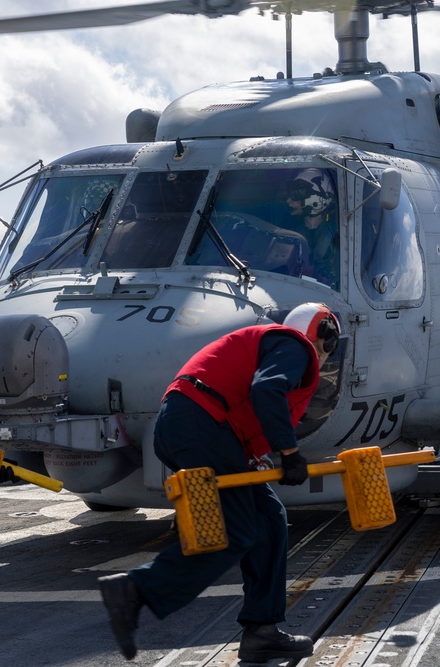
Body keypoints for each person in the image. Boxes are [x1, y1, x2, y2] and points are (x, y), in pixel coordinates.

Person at [97, 302, 341, 662]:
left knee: (268, 520)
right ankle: (136, 589)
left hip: (192, 426)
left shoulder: (271, 345)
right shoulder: (295, 346)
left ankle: (263, 631)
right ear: (325, 336)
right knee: (236, 530)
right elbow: (267, 390)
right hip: (202, 424)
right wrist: (290, 454)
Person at [284, 169, 340, 289]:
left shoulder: (340, 235)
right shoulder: (288, 232)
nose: (289, 200)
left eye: (296, 195)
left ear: (317, 197)